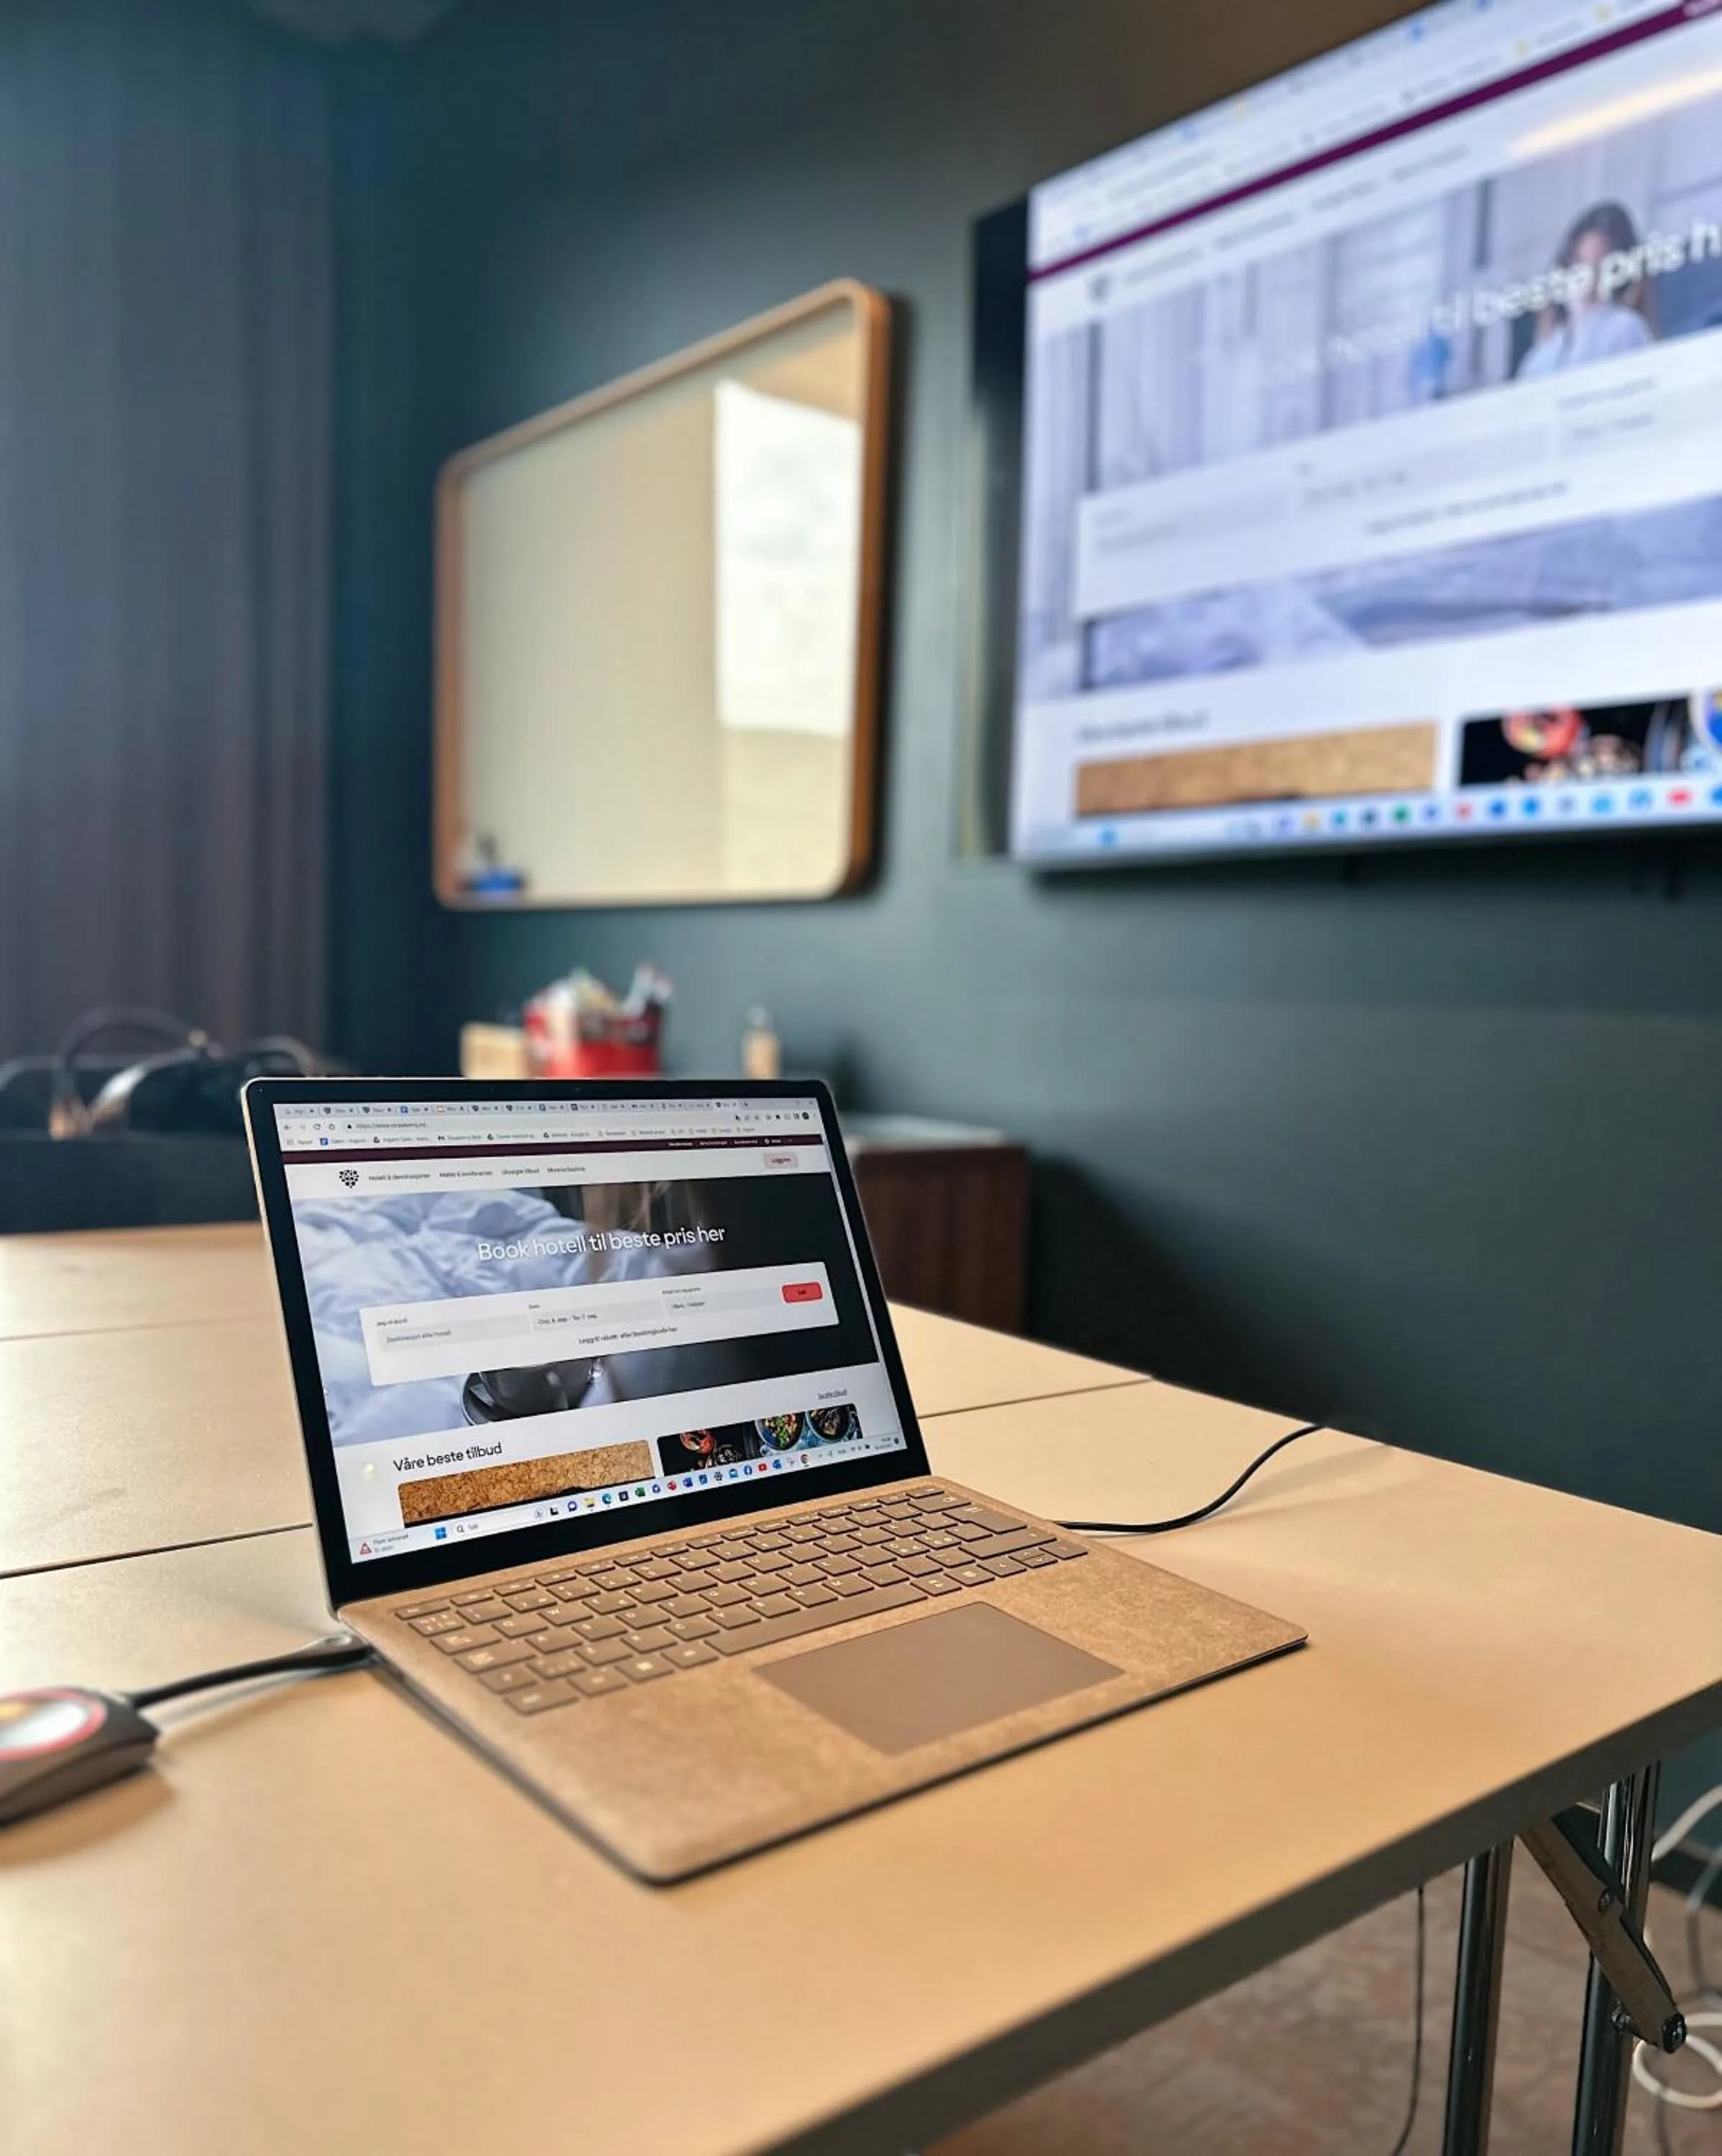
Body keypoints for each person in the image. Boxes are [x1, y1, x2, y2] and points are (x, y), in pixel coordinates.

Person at [1516, 200, 1655, 378]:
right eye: (1579, 263)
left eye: (1599, 268)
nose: (1586, 279)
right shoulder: (1539, 358)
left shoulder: (1624, 328)